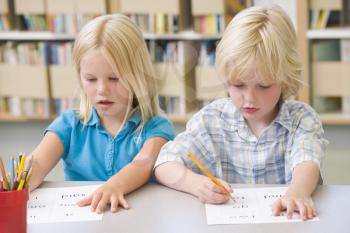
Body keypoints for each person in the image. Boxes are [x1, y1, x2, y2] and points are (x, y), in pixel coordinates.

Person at [154, 5, 328, 221]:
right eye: (238, 85)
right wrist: (197, 185)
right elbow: (164, 163)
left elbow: (307, 161)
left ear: (285, 78)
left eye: (263, 86)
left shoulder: (302, 119)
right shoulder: (212, 119)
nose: (249, 98)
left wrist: (298, 193)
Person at [28, 14, 175, 213]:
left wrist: (114, 186)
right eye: (90, 79)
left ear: (139, 75)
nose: (102, 90)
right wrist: (19, 181)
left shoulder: (157, 127)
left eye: (114, 78)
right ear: (80, 77)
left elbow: (142, 165)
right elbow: (37, 162)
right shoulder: (69, 125)